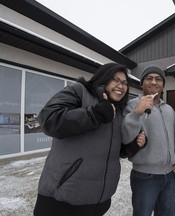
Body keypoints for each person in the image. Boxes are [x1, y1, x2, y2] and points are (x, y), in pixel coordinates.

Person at [33, 63, 146, 216]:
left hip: (99, 200)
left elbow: (114, 150)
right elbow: (49, 119)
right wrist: (94, 114)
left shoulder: (118, 111)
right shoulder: (80, 91)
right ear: (103, 78)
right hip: (62, 198)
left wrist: (132, 146)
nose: (121, 85)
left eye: (125, 83)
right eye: (116, 79)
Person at [121, 65, 175, 216]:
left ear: (163, 85)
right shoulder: (131, 106)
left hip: (170, 176)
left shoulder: (168, 109)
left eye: (158, 79)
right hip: (144, 176)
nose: (154, 82)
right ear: (142, 83)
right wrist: (137, 113)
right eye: (149, 78)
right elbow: (124, 137)